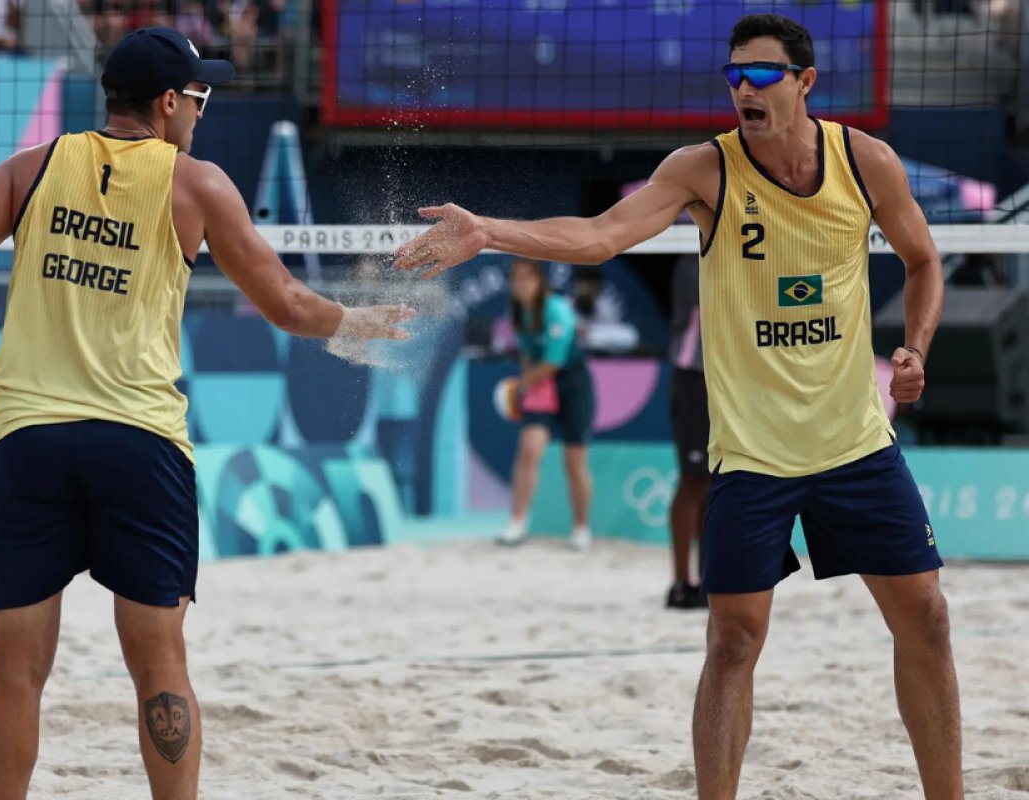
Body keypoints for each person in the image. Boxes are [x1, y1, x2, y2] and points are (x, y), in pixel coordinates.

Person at [394, 13, 959, 799]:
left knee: (926, 618)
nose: (743, 88)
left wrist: (916, 350)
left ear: (805, 83)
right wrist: (488, 231)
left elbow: (924, 261)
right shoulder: (705, 169)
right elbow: (599, 237)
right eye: (734, 75)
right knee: (733, 641)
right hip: (754, 454)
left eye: (762, 75)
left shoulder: (866, 163)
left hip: (854, 444)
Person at [0, 27, 412, 799]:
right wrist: (356, 324)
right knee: (161, 664)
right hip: (141, 444)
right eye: (201, 98)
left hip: (30, 440)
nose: (202, 113)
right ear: (169, 102)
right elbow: (286, 303)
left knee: (15, 672)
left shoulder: (29, 169)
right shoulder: (196, 185)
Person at [496, 257, 595, 552]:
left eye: (527, 278)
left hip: (573, 383)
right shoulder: (517, 312)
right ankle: (517, 522)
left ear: (540, 282)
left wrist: (519, 386)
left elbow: (553, 362)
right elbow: (528, 355)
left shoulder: (556, 310)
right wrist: (525, 387)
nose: (521, 284)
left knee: (574, 464)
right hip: (541, 384)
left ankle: (581, 527)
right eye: (516, 279)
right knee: (528, 451)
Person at [667, 254, 711, 609]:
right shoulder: (691, 258)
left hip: (724, 376)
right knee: (693, 480)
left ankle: (707, 580)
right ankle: (682, 583)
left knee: (712, 482)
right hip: (694, 375)